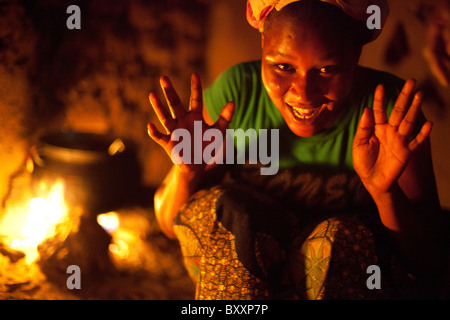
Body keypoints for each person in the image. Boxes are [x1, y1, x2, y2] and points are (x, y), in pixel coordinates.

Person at [147, 0, 448, 299]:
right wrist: (186, 172)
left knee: (343, 238)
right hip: (240, 280)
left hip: (339, 279)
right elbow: (170, 224)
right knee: (232, 214)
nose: (303, 94)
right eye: (283, 67)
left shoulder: (389, 112)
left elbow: (430, 260)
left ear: (355, 54)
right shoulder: (237, 93)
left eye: (327, 69)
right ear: (263, 43)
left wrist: (385, 193)